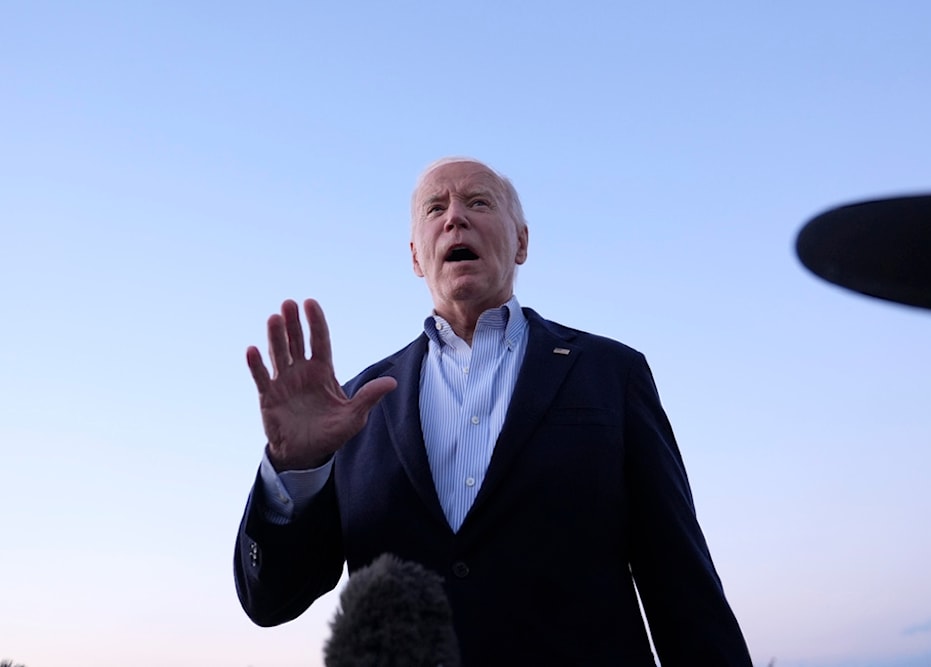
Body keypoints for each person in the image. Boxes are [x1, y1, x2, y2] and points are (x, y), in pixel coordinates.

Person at [234, 157, 753, 665]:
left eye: (478, 201)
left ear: (522, 242)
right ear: (416, 257)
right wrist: (295, 468)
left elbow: (681, 584)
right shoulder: (352, 408)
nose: (454, 217)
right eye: (435, 208)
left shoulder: (610, 373)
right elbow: (272, 600)